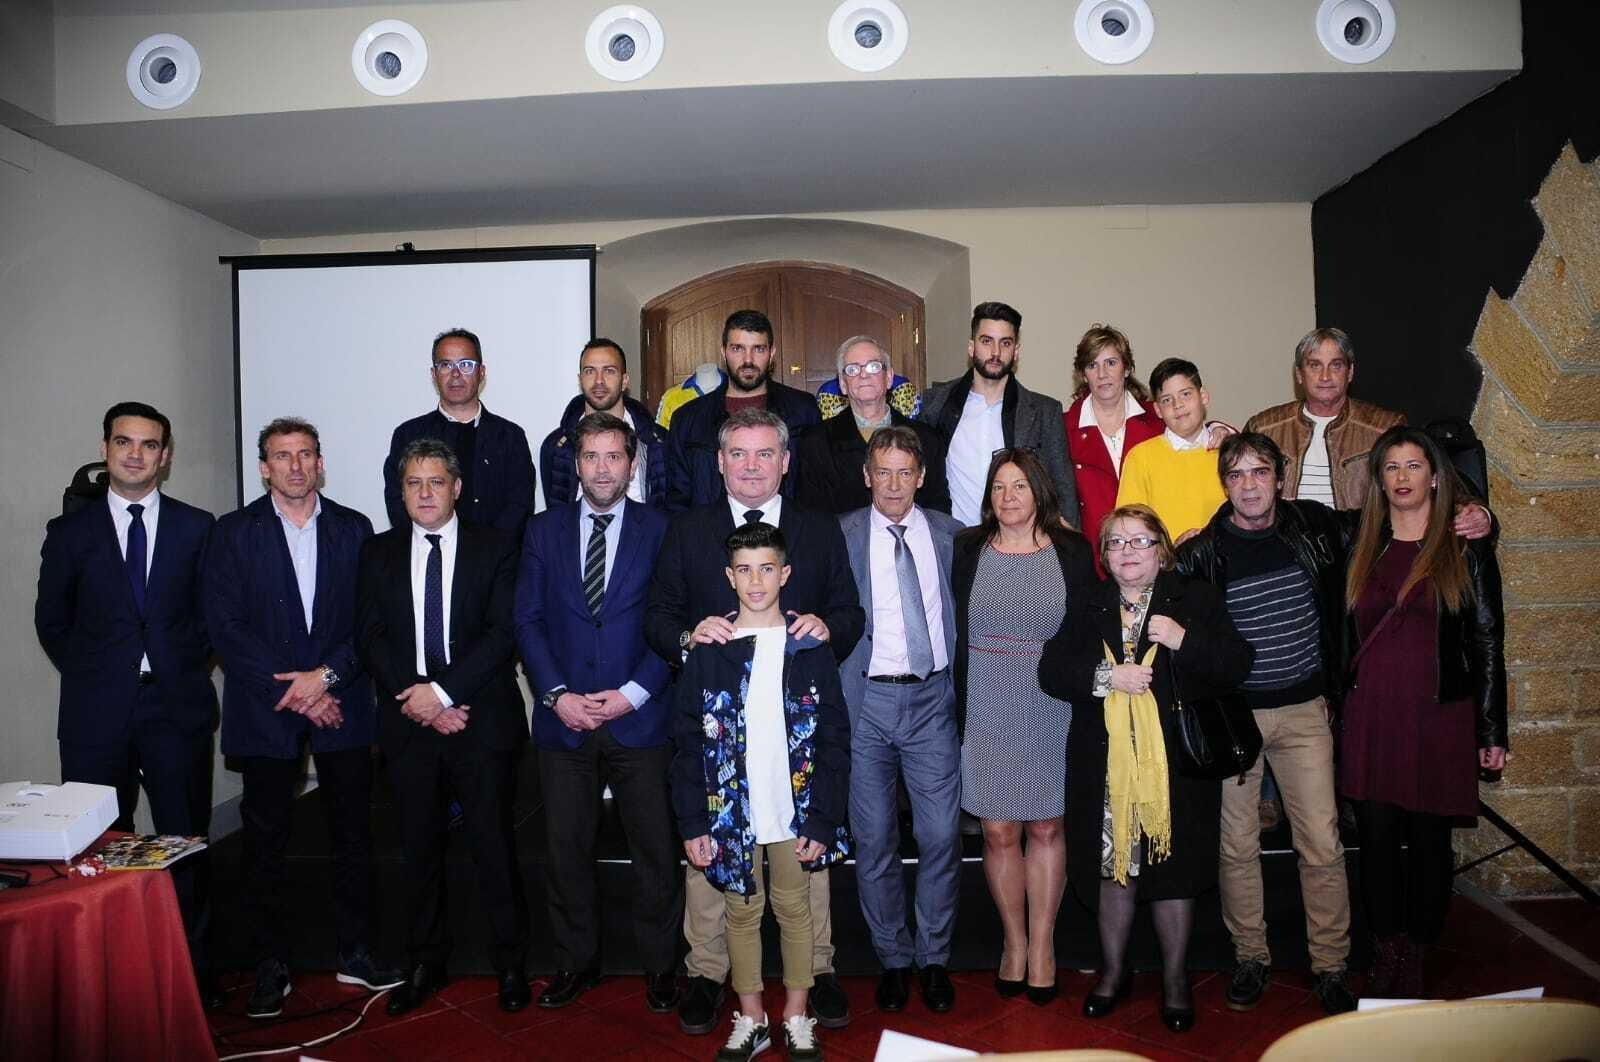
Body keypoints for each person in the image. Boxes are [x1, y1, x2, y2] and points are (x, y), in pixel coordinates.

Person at [1176, 432, 1492, 1015]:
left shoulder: (1319, 527)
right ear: (1225, 484)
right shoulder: (1202, 553)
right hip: (1236, 718)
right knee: (1237, 847)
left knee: (1320, 843)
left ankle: (1330, 964)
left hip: (1305, 715)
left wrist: (1479, 511)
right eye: (1237, 475)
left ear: (1279, 478)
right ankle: (1252, 957)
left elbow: (1405, 503)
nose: (1249, 485)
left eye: (1260, 472)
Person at [646, 408, 864, 1035]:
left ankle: (816, 973)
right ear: (718, 462)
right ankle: (710, 973)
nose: (750, 466)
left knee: (803, 867)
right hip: (718, 744)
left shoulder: (817, 530)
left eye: (764, 454)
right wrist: (690, 635)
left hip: (792, 741)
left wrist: (828, 628)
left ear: (785, 461)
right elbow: (657, 615)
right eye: (737, 454)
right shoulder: (689, 531)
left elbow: (849, 613)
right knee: (712, 865)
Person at [203, 417, 399, 1018]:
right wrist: (299, 689)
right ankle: (270, 965)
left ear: (320, 463)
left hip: (342, 703)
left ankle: (356, 952)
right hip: (267, 710)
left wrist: (326, 679)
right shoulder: (232, 534)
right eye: (281, 456)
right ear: (264, 466)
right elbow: (225, 627)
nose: (294, 466)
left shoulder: (355, 529)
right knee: (265, 842)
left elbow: (367, 625)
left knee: (352, 836)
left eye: (305, 454)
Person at [1041, 504, 1254, 1033]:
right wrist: (1106, 679)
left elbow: (1236, 664)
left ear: (1162, 551)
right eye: (1116, 543)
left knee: (1173, 873)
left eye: (1139, 541)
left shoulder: (1194, 599)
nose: (1127, 552)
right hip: (1106, 768)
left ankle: (1177, 982)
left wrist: (1184, 640)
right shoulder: (1089, 602)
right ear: (1104, 556)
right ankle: (1113, 975)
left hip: (1176, 768)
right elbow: (1051, 670)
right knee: (1115, 871)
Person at [35, 401, 220, 1002]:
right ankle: (110, 978)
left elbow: (213, 617)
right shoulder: (69, 533)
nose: (135, 454)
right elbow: (52, 622)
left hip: (176, 711)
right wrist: (99, 677)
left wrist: (180, 667)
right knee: (97, 848)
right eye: (124, 443)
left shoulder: (199, 527)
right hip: (96, 717)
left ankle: (192, 975)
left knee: (183, 844)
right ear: (105, 448)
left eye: (149, 444)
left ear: (165, 456)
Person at [355, 438, 531, 1016]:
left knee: (493, 846)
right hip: (409, 725)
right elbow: (371, 636)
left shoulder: (498, 546)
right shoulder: (376, 553)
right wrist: (418, 697)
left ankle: (510, 964)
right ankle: (425, 962)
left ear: (457, 488)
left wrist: (445, 692)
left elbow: (502, 634)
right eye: (413, 484)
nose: (425, 493)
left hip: (481, 720)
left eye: (436, 482)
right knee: (417, 849)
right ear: (400, 492)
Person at [515, 413, 681, 1013]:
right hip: (565, 721)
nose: (604, 468)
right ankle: (575, 964)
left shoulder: (663, 530)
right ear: (576, 464)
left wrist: (633, 692)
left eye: (615, 456)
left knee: (655, 854)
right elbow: (528, 621)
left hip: (640, 717)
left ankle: (663, 968)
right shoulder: (542, 531)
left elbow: (672, 623)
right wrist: (556, 694)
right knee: (565, 852)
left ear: (632, 464)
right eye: (592, 457)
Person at [671, 522, 850, 1062]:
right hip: (730, 811)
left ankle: (797, 1013)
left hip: (793, 809)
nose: (756, 581)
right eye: (744, 570)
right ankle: (751, 1017)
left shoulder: (810, 648)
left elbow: (834, 739)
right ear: (729, 577)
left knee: (796, 911)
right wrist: (694, 823)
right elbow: (685, 743)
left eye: (767, 569)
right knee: (740, 911)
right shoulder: (709, 652)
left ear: (785, 573)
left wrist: (822, 819)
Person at [1341, 426, 1507, 998]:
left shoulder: (1464, 545)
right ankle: (1387, 945)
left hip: (1442, 716)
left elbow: (1488, 639)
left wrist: (1492, 728)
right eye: (1392, 468)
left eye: (1414, 466)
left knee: (1432, 840)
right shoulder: (1359, 544)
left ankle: (1420, 946)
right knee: (1379, 838)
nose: (1403, 477)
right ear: (1379, 480)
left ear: (1437, 476)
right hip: (1373, 717)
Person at [952, 447, 1096, 1003]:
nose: (1008, 498)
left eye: (1018, 486)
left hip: (1052, 702)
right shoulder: (966, 549)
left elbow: (1085, 632)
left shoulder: (1072, 551)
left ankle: (1043, 945)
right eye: (998, 488)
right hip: (986, 697)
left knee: (1046, 828)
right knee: (998, 830)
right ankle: (1013, 942)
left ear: (1039, 491)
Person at [837, 427, 962, 1014]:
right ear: (867, 476)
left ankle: (933, 958)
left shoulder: (950, 535)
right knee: (875, 839)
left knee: (939, 834)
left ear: (921, 476)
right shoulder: (839, 536)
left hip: (932, 700)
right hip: (865, 705)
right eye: (881, 472)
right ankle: (893, 957)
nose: (892, 484)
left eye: (903, 472)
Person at [921, 301, 1076, 528]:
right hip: (953, 544)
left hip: (1023, 544)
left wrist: (1068, 547)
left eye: (1005, 343)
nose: (995, 353)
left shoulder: (1044, 412)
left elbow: (1064, 489)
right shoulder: (936, 404)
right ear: (971, 347)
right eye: (987, 341)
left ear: (1016, 351)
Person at [383, 327, 536, 535]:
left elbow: (519, 506)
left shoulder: (510, 437)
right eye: (446, 365)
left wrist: (485, 554)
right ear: (433, 374)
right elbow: (397, 502)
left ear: (481, 372)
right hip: (427, 555)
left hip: (494, 559)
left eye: (466, 365)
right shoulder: (408, 435)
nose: (456, 374)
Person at [665, 309, 821, 512]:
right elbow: (677, 501)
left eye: (758, 349)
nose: (748, 360)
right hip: (708, 539)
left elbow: (818, 489)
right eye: (738, 348)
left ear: (771, 353)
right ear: (724, 352)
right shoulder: (688, 419)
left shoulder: (803, 411)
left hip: (789, 538)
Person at [1244, 327, 1404, 509]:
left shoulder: (1385, 428)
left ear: (1350, 372)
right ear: (1299, 374)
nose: (1325, 376)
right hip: (1283, 536)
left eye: (1336, 365)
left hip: (1358, 537)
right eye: (1315, 365)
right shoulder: (1263, 428)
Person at [795, 336, 950, 515]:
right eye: (852, 369)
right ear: (843, 384)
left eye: (873, 366)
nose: (863, 375)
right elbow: (811, 516)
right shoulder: (815, 443)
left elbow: (938, 511)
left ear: (889, 377)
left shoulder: (927, 439)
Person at [1062, 324, 1164, 570]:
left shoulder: (1158, 419)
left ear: (1127, 368)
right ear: (1083, 375)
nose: (1102, 374)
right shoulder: (1063, 429)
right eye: (1092, 365)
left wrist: (1219, 430)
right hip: (1093, 561)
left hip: (1155, 558)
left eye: (1111, 363)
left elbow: (1193, 433)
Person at [539, 338, 669, 509]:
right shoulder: (556, 445)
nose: (599, 381)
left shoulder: (658, 442)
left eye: (609, 371)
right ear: (580, 380)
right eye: (590, 371)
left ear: (624, 381)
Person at [1116, 357, 1229, 544]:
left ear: (1203, 397)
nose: (1178, 405)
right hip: (1168, 566)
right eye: (1167, 400)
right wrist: (1169, 551)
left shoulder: (1228, 451)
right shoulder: (1140, 458)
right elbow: (1130, 528)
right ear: (1158, 410)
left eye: (1186, 394)